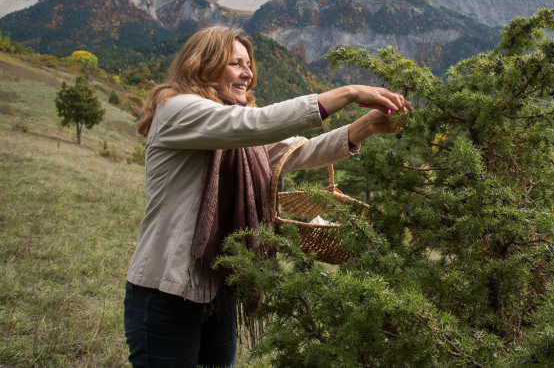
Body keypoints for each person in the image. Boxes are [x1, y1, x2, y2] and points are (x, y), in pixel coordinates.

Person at [123, 25, 411, 368]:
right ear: (204, 64)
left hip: (221, 286)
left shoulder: (236, 128)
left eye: (249, 64)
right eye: (235, 63)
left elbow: (298, 153)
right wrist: (348, 92)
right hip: (167, 292)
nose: (248, 73)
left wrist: (365, 126)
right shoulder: (178, 110)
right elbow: (257, 124)